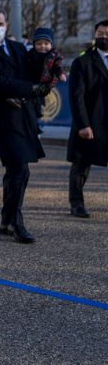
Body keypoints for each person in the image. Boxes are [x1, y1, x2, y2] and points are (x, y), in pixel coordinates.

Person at [0, 7, 48, 244]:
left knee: (16, 171)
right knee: (19, 168)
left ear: (6, 24)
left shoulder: (16, 48)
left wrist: (48, 59)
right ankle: (16, 222)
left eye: (0, 23)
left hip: (24, 115)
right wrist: (29, 89)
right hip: (3, 118)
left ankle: (7, 218)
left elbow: (32, 69)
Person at [66, 20, 108, 218]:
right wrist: (83, 124)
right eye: (100, 33)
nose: (104, 37)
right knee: (81, 165)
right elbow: (76, 96)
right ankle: (77, 203)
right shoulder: (82, 62)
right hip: (91, 122)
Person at [27, 27, 67, 125]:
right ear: (34, 44)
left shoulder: (53, 55)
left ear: (51, 44)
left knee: (38, 102)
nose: (42, 46)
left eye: (46, 43)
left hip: (45, 83)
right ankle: (33, 121)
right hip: (31, 82)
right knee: (30, 105)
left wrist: (61, 74)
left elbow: (58, 66)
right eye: (39, 44)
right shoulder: (30, 54)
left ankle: (37, 118)